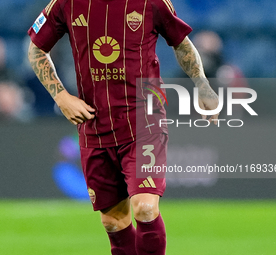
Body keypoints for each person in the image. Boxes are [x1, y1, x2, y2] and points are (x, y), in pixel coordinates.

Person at [28, 0, 219, 254]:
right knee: (113, 221)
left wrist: (202, 85)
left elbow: (181, 43)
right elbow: (36, 50)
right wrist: (61, 97)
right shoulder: (66, 3)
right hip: (94, 124)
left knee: (145, 208)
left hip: (145, 119)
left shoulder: (151, 3)